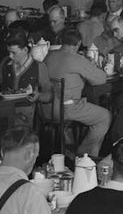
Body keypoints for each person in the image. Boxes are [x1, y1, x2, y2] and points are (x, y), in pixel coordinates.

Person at [0, 32, 53, 172]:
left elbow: (49, 94)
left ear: (25, 50)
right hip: (1, 113)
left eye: (14, 53)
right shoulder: (6, 62)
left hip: (23, 118)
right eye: (9, 52)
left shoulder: (38, 67)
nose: (10, 56)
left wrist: (39, 96)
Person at [44, 29, 111, 157]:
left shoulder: (50, 55)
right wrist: (91, 65)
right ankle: (84, 155)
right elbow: (100, 79)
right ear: (79, 43)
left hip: (47, 108)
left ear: (61, 41)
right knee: (104, 116)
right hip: (67, 108)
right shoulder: (77, 59)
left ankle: (71, 148)